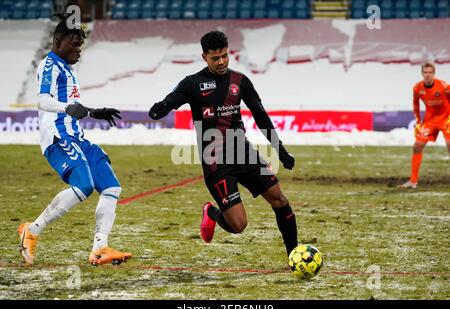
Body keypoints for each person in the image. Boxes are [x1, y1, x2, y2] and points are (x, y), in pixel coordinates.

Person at [149, 31, 298, 258]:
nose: (221, 62)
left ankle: (294, 256)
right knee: (238, 225)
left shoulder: (240, 81)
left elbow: (260, 117)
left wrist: (280, 150)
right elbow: (172, 99)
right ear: (204, 57)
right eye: (215, 58)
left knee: (279, 199)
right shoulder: (193, 84)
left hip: (244, 153)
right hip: (216, 162)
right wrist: (162, 106)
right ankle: (212, 213)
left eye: (225, 56)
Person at [18, 14, 132, 266]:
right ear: (58, 41)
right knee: (84, 185)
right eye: (74, 45)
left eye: (81, 46)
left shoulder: (67, 69)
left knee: (111, 187)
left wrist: (93, 112)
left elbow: (70, 106)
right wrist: (69, 108)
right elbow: (43, 101)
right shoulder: (49, 65)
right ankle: (33, 230)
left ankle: (100, 248)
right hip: (59, 138)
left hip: (76, 137)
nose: (79, 51)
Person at [400, 62, 450, 189]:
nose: (428, 75)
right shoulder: (417, 88)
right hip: (430, 121)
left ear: (434, 74)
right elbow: (416, 104)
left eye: (430, 72)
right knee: (417, 146)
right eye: (425, 72)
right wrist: (417, 121)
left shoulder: (444, 86)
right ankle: (413, 181)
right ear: (422, 73)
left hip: (446, 119)